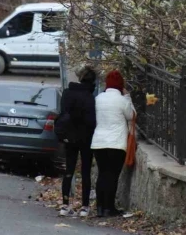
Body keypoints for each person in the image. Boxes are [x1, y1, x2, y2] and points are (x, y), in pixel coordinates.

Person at [91, 70, 135, 218]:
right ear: (121, 86)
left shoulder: (98, 98)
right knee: (112, 176)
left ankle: (100, 207)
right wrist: (128, 96)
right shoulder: (122, 100)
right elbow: (132, 115)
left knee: (102, 174)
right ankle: (109, 208)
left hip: (99, 142)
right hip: (116, 143)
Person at [58, 67, 97, 218]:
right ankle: (84, 207)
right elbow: (92, 120)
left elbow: (63, 113)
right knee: (85, 172)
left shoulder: (67, 93)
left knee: (69, 170)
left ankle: (65, 205)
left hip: (70, 137)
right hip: (86, 138)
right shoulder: (89, 96)